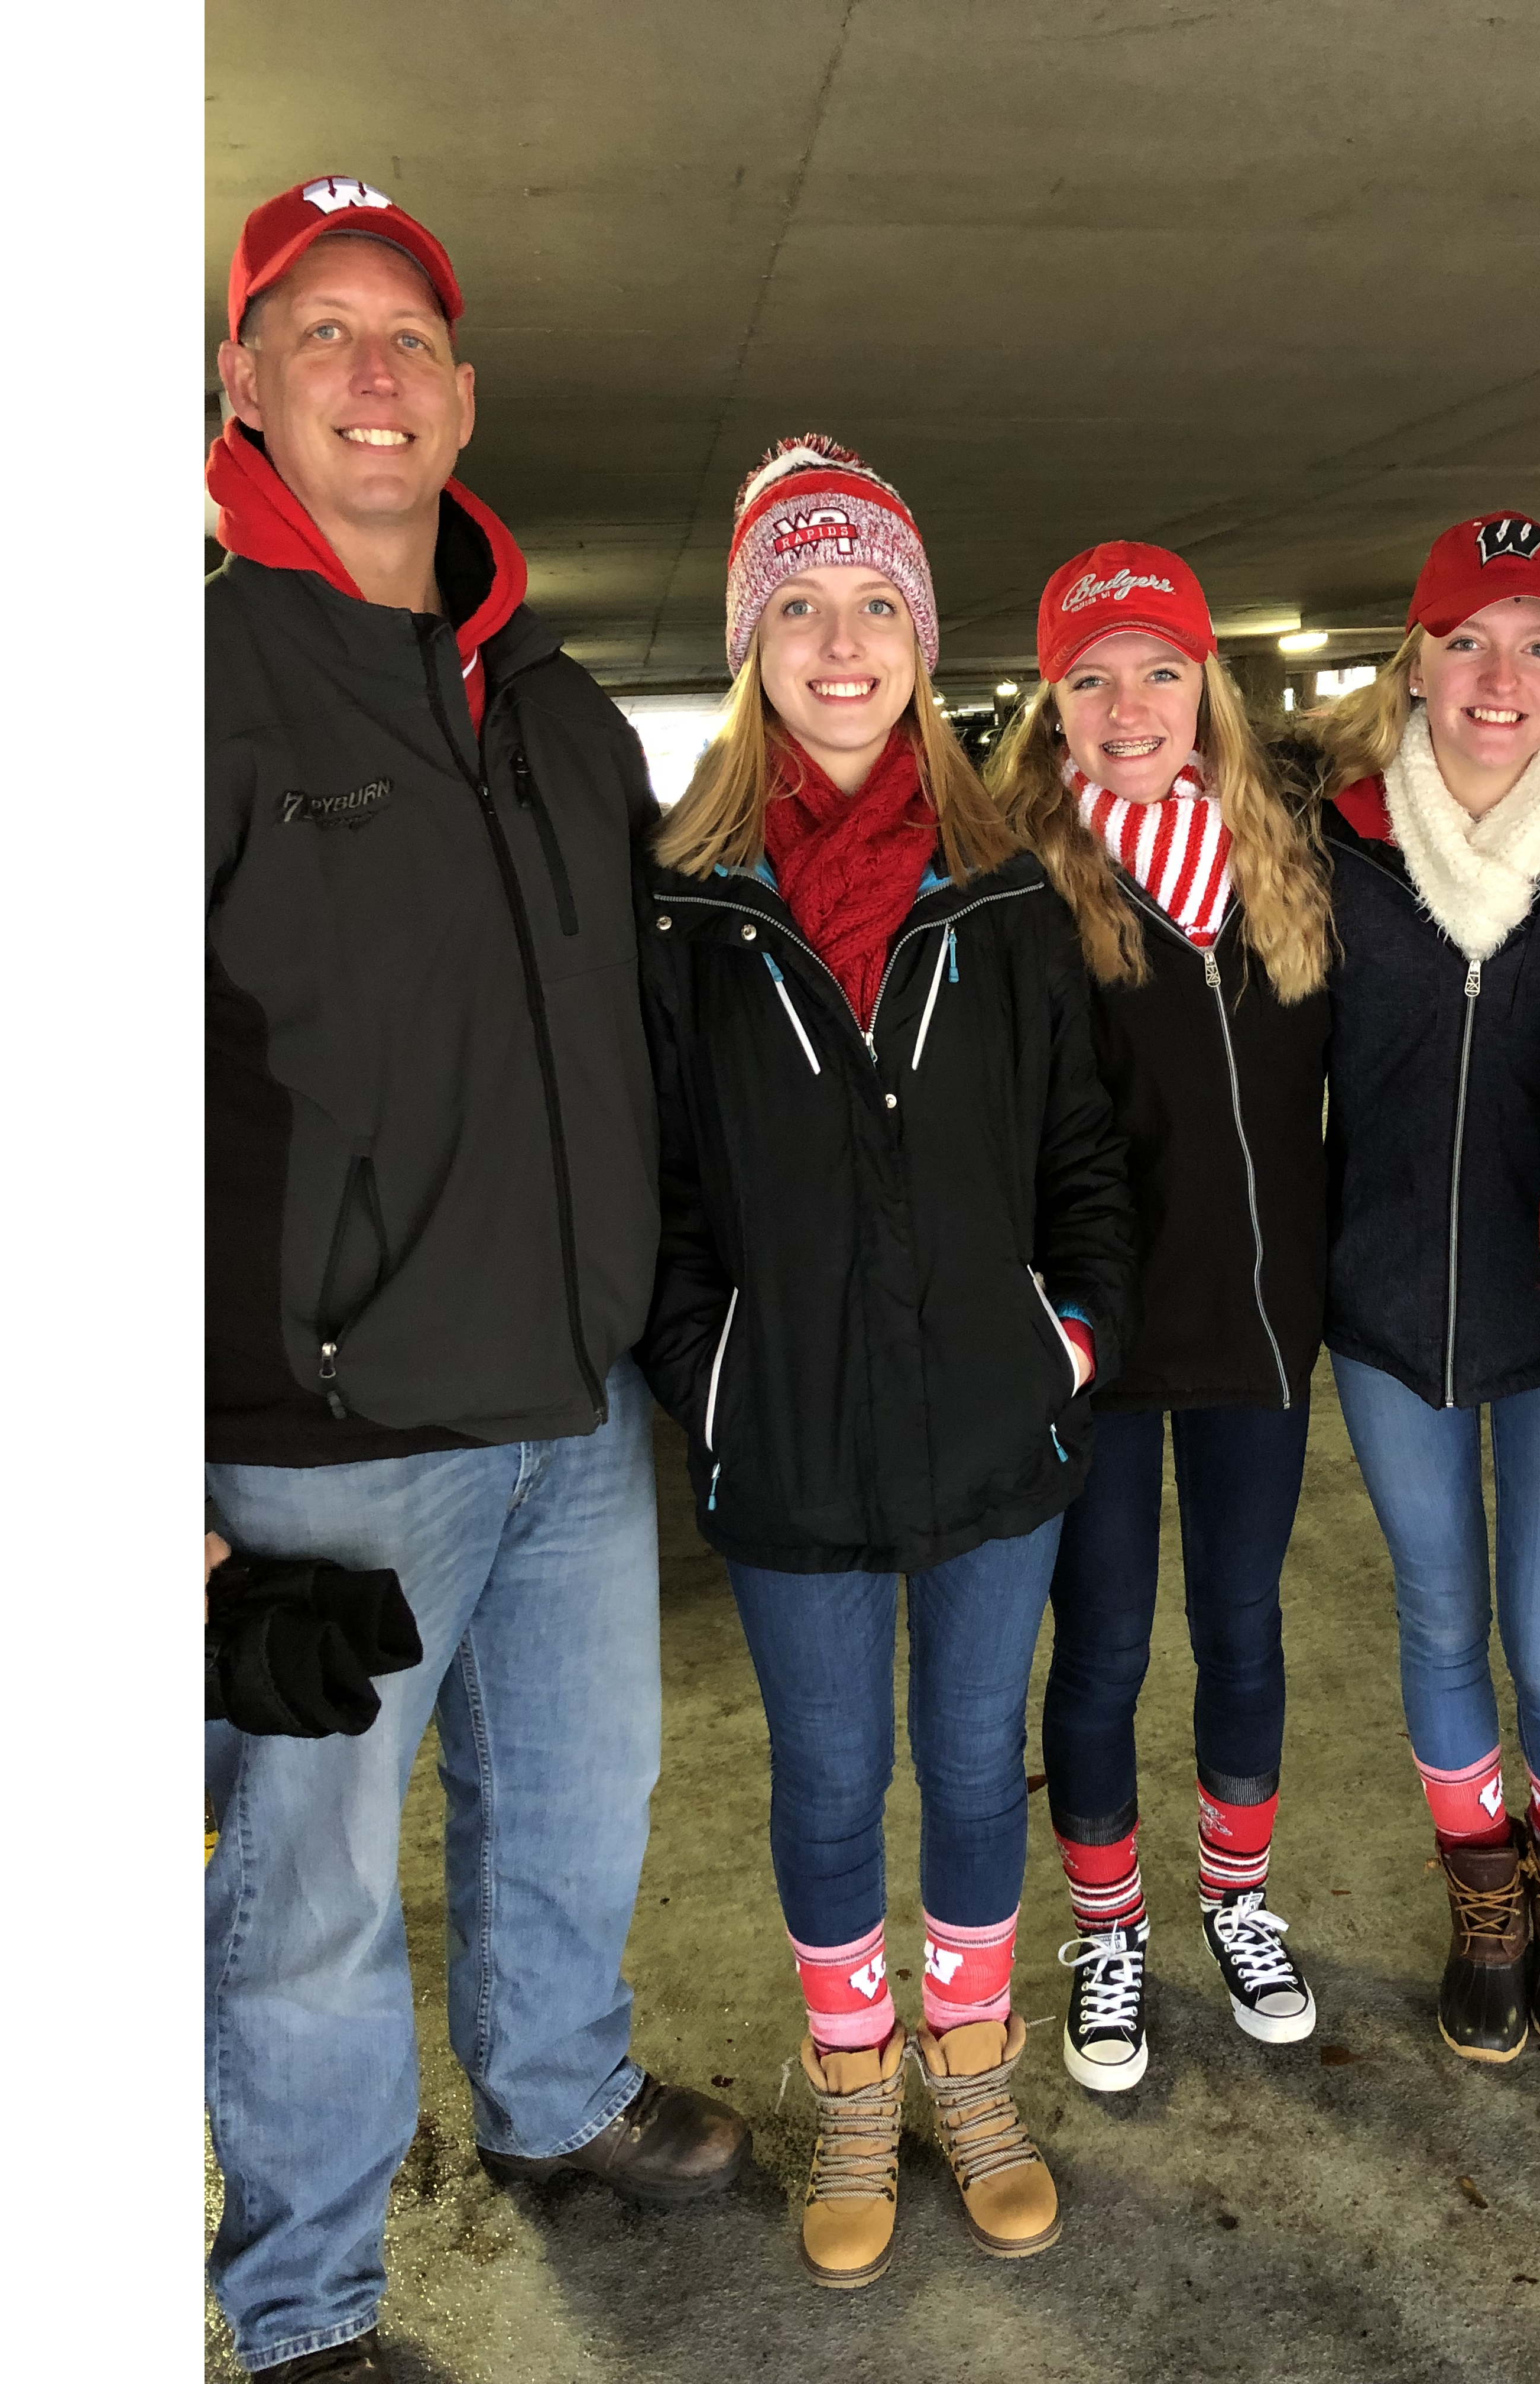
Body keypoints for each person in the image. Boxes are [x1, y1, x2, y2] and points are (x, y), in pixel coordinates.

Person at [206, 180, 746, 2384]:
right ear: (242, 382)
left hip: (572, 1401)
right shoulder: (189, 688)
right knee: (311, 1894)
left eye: (410, 337)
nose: (373, 371)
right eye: (321, 331)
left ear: (460, 396)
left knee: (583, 1798)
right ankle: (307, 2297)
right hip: (323, 1439)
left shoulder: (558, 714)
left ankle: (556, 2093)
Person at [637, 438, 1136, 2287]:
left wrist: (1065, 1343)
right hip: (788, 1446)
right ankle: (857, 2088)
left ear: (923, 644)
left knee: (976, 1765)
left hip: (993, 1427)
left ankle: (974, 2073)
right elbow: (661, 1189)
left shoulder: (1006, 890)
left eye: (873, 607)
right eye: (799, 606)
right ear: (751, 641)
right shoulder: (687, 906)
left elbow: (1082, 1154)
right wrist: (713, 1379)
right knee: (832, 1778)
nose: (839, 645)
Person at [987, 543, 1335, 2092]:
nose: (1129, 709)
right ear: (1054, 704)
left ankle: (1238, 1900)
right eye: (1093, 680)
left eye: (1160, 674)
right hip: (1107, 1342)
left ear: (1209, 692)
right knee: (1108, 1640)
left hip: (1258, 1328)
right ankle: (1110, 1929)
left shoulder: (1287, 865)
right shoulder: (1020, 886)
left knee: (1244, 1626)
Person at [1304, 514, 1540, 2065]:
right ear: (1417, 660)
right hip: (1388, 1305)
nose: (1501, 680)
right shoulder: (1337, 835)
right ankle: (1485, 1903)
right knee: (1442, 1624)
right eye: (1468, 642)